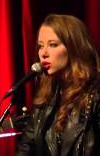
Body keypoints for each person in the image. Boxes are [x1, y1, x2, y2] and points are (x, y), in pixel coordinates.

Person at [16, 14, 100, 156]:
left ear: (74, 48)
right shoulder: (45, 96)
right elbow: (25, 149)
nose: (43, 53)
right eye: (40, 46)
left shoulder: (96, 93)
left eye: (53, 45)